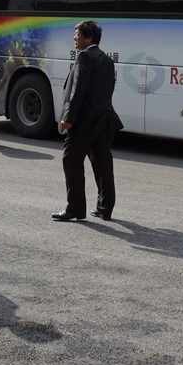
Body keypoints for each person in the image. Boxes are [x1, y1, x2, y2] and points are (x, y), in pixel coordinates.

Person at [53, 20, 124, 222]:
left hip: (86, 120)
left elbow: (79, 89)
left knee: (71, 159)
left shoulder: (85, 56)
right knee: (102, 163)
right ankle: (105, 208)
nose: (74, 38)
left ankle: (75, 208)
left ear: (89, 38)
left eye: (78, 35)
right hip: (105, 117)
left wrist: (68, 117)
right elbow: (108, 89)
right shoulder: (107, 60)